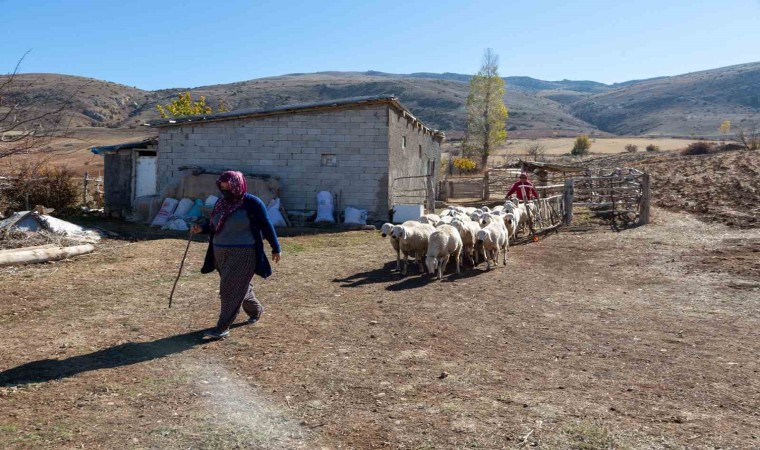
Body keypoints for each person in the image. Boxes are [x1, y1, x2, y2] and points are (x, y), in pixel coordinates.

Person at [190, 170, 282, 339]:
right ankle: (256, 310)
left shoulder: (252, 203)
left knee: (229, 289)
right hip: (220, 253)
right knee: (237, 285)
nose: (224, 189)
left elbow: (266, 225)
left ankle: (222, 327)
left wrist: (276, 247)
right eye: (222, 186)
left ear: (238, 185)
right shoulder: (221, 203)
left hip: (243, 252)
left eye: (228, 186)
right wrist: (201, 228)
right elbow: (214, 224)